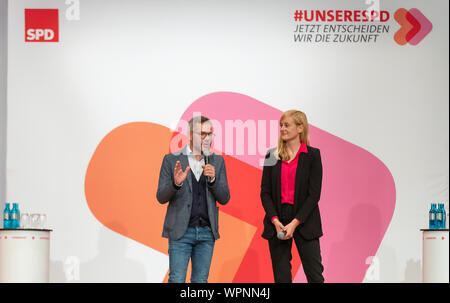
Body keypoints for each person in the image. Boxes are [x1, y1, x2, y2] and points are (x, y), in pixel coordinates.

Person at [156, 115, 230, 283]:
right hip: (180, 233)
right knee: (177, 279)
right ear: (190, 135)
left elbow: (225, 198)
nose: (207, 138)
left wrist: (213, 180)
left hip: (206, 233)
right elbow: (161, 196)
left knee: (201, 281)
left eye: (210, 134)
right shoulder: (172, 159)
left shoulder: (217, 161)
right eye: (202, 133)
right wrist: (175, 184)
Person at [260, 110, 324, 283]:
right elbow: (264, 192)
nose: (282, 128)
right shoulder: (271, 155)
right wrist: (274, 220)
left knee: (315, 276)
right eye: (281, 125)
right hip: (277, 222)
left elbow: (314, 195)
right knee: (281, 278)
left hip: (305, 220)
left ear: (300, 128)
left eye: (286, 125)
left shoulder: (313, 156)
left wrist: (295, 223)